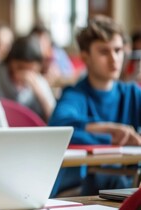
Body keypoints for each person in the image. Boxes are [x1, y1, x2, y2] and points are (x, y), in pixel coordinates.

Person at [49, 15, 141, 196]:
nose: (114, 59)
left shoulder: (132, 93)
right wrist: (110, 132)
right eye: (104, 52)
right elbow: (59, 125)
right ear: (85, 56)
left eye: (118, 50)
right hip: (83, 186)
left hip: (126, 179)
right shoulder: (75, 94)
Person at [0, 35, 56, 122]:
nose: (24, 73)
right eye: (20, 67)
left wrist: (38, 92)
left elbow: (53, 118)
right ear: (10, 62)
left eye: (30, 70)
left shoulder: (39, 82)